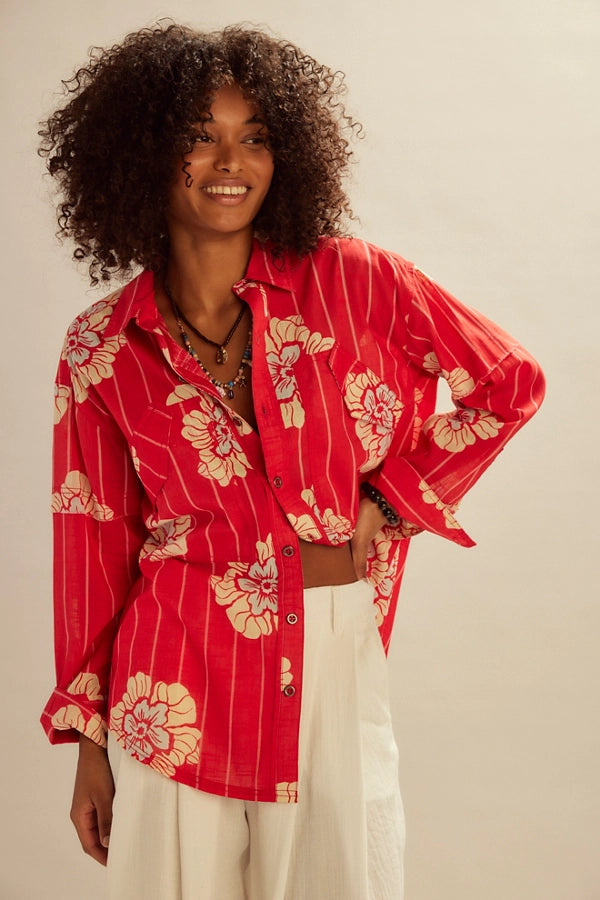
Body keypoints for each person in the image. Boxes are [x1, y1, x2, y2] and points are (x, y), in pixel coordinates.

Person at [39, 22, 545, 900]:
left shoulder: (360, 283)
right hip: (170, 680)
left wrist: (388, 501)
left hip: (332, 660)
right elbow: (94, 542)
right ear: (141, 153)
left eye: (256, 137)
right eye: (200, 135)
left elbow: (510, 384)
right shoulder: (101, 347)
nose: (230, 161)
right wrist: (91, 743)